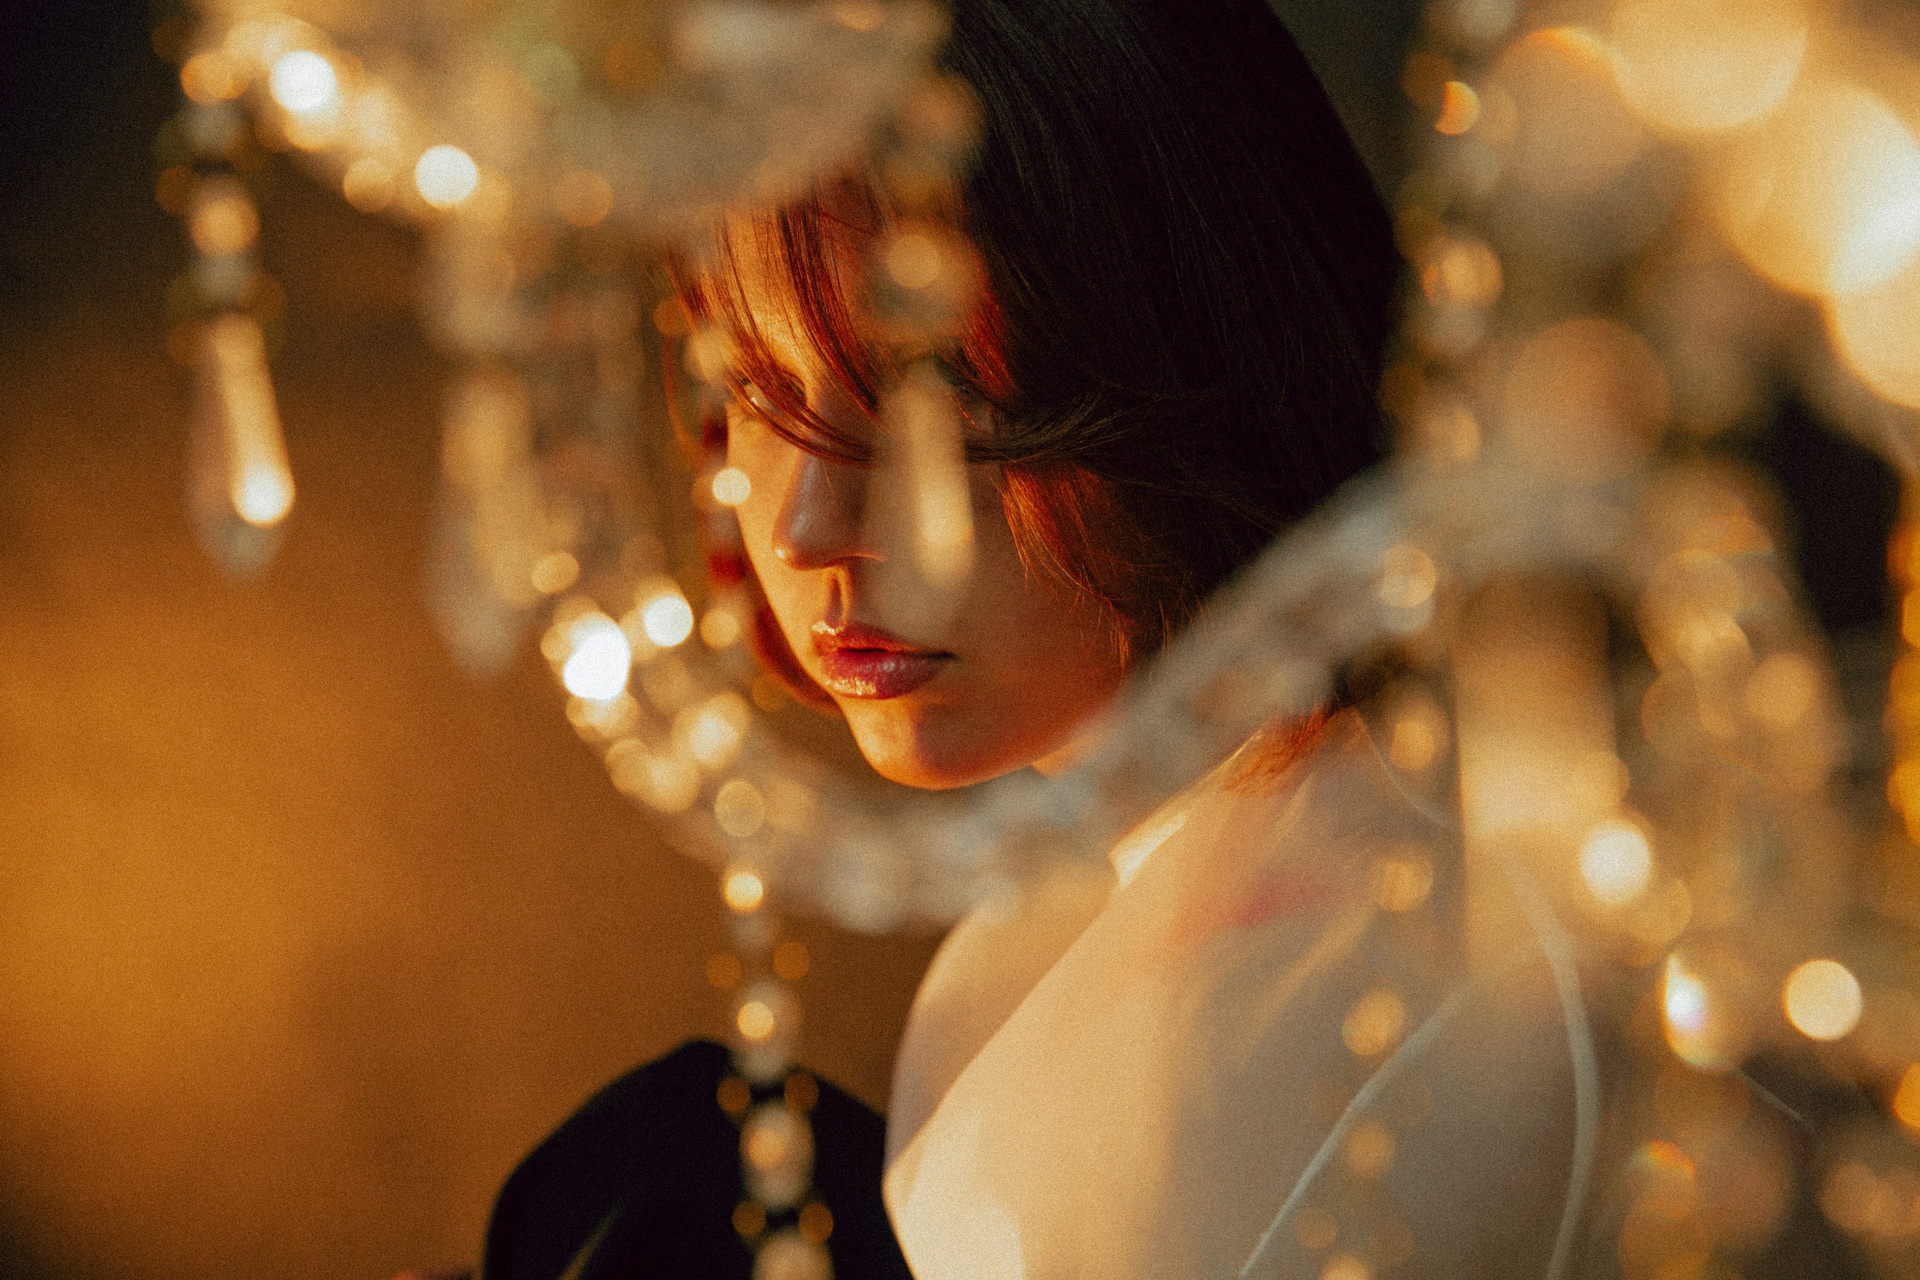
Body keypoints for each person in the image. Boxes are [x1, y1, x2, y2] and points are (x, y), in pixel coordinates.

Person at [480, 1, 1587, 1277]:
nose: (804, 524)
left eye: (932, 387)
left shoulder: (1351, 989)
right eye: (760, 393)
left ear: (1195, 337)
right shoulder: (1066, 913)